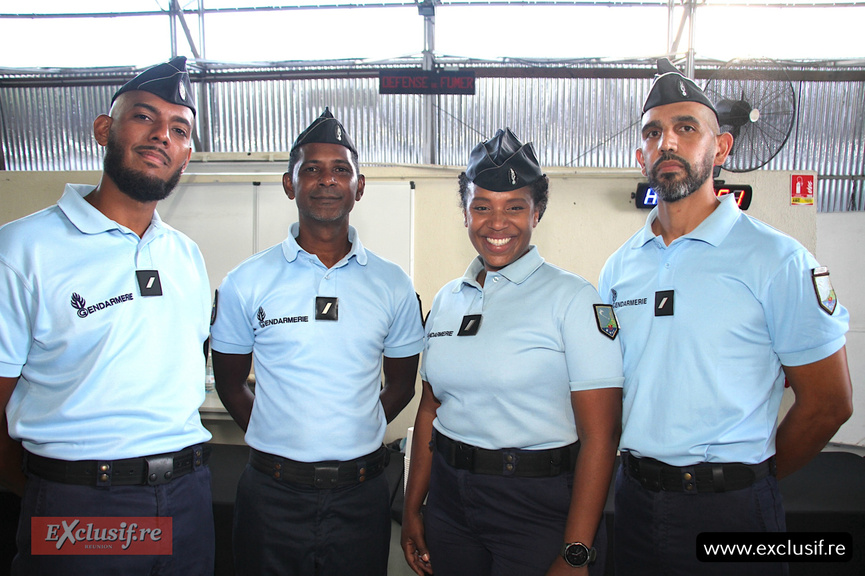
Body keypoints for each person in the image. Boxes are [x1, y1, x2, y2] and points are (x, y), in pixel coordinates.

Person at [598, 59, 853, 576]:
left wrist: (754, 480)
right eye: (653, 132)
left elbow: (829, 404)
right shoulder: (619, 267)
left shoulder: (777, 260)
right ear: (640, 153)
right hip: (636, 502)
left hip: (733, 512)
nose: (667, 143)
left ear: (722, 147)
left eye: (686, 128)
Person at [0, 56, 214, 574]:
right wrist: (48, 487)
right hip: (83, 501)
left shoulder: (186, 256)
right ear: (104, 129)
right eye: (144, 117)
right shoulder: (23, 248)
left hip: (187, 497)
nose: (162, 135)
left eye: (179, 128)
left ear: (187, 155)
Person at [210, 108, 424, 576]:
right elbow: (229, 383)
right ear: (290, 185)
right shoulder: (246, 281)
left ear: (359, 187)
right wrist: (276, 434)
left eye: (340, 170)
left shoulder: (393, 284)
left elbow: (403, 385)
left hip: (361, 493)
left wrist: (354, 428)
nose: (327, 180)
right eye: (311, 169)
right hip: (272, 494)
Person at [401, 128, 623, 576]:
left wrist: (576, 552)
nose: (496, 223)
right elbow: (430, 409)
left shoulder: (576, 299)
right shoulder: (447, 299)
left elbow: (602, 436)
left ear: (537, 212)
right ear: (464, 214)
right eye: (481, 207)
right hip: (450, 503)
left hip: (536, 507)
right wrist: (412, 509)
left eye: (514, 207)